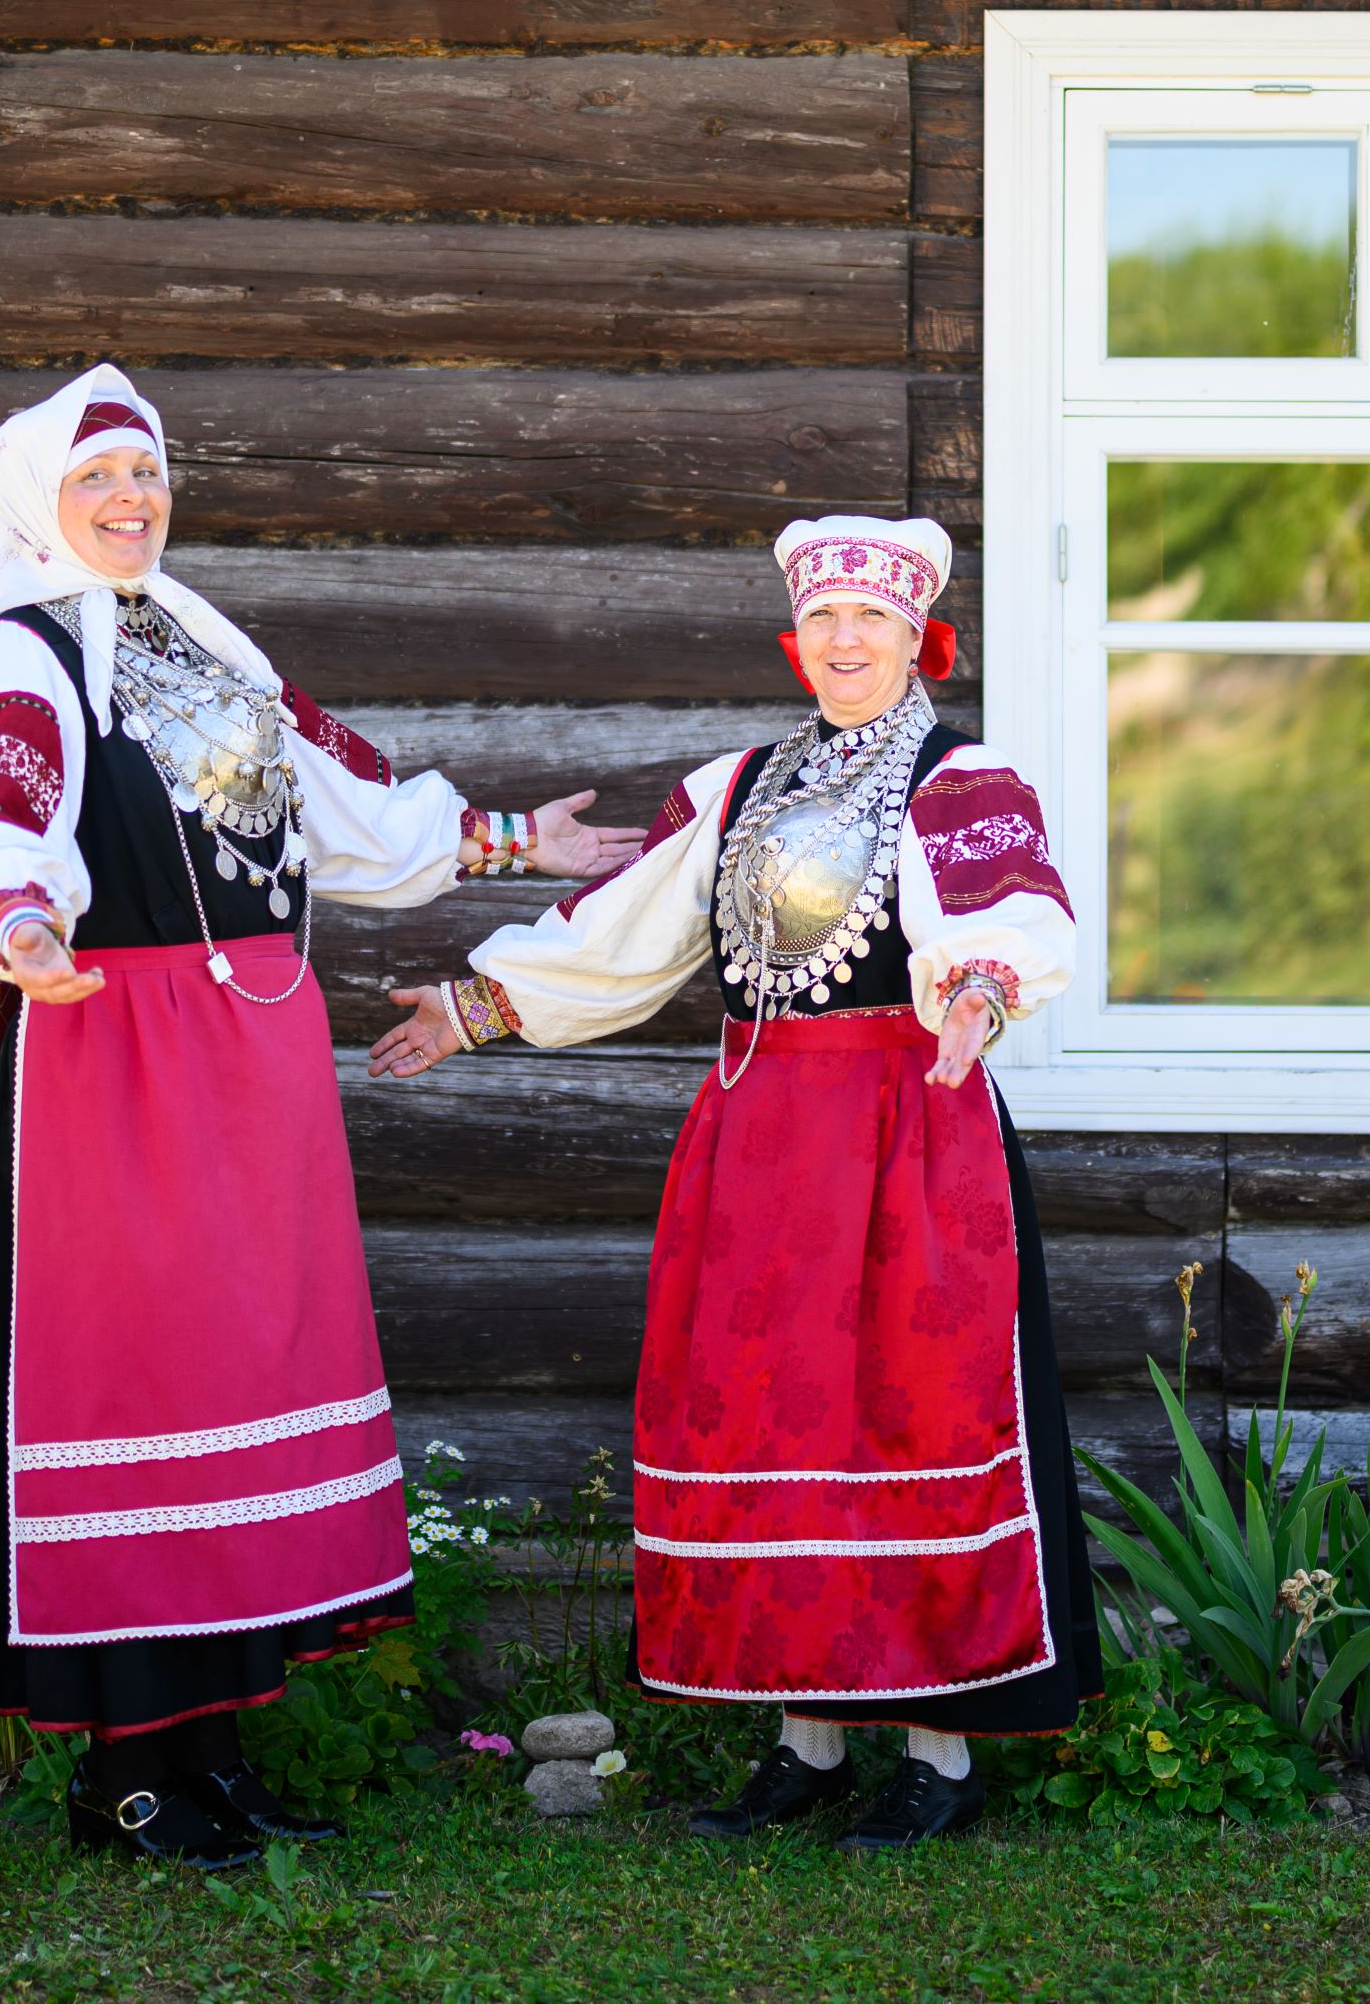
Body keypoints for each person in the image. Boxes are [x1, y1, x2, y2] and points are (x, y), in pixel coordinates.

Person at [0, 364, 641, 1868]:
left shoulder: (198, 641)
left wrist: (511, 838)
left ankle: (213, 1761)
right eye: (97, 482)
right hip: (115, 1059)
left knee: (236, 1379)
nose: (130, 503)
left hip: (243, 1063)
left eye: (146, 476)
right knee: (141, 1388)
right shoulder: (20, 653)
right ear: (37, 504)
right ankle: (126, 1776)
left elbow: (341, 805)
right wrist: (18, 924)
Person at [365, 515, 1089, 1851]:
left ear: (917, 633)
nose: (847, 641)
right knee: (767, 1425)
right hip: (759, 1144)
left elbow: (1008, 912)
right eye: (824, 622)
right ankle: (803, 1744)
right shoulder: (738, 788)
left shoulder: (959, 777)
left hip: (905, 1132)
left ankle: (939, 1757)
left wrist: (979, 997)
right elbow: (625, 932)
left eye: (872, 620)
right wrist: (477, 1004)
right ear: (796, 637)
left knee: (902, 1416)